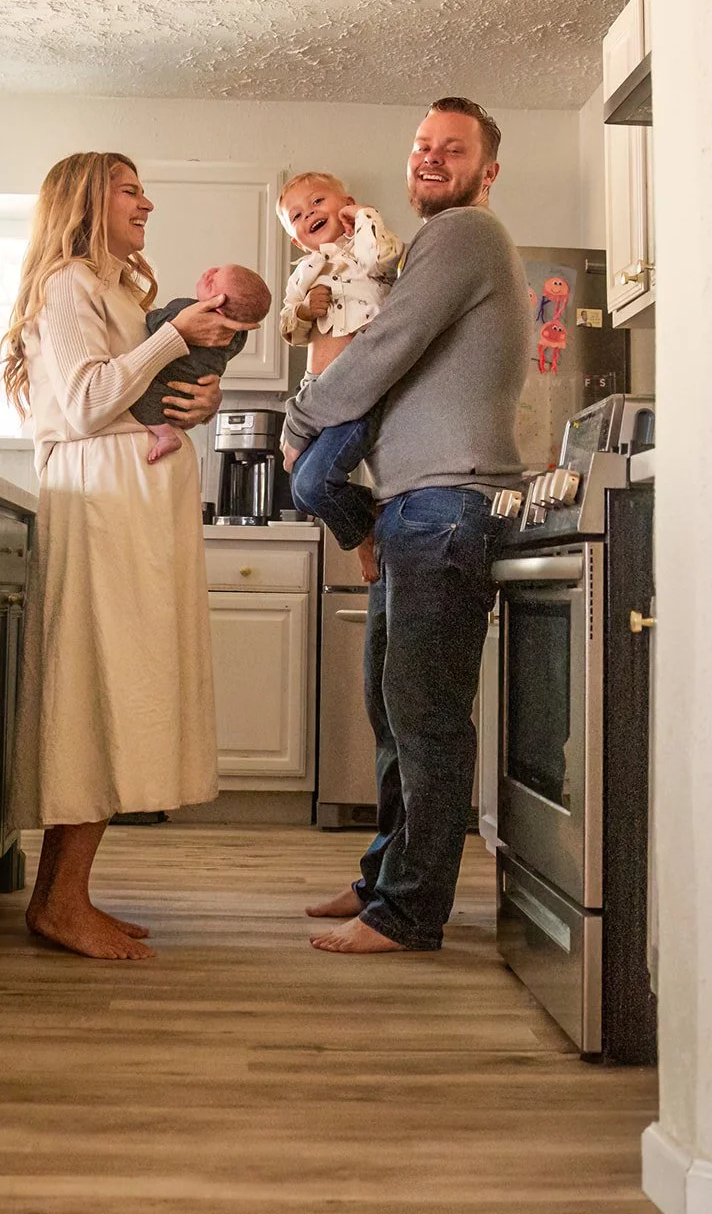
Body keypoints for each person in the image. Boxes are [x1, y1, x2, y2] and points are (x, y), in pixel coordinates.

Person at [281, 98, 531, 955]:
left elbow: (383, 346)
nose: (430, 158)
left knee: (423, 715)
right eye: (422, 145)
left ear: (486, 171)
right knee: (394, 712)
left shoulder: (463, 234)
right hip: (413, 508)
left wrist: (301, 417)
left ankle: (411, 911)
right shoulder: (428, 242)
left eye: (452, 149)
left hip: (447, 504)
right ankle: (383, 880)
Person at [0, 151, 258, 961]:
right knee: (98, 691)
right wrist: (174, 335)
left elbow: (134, 391)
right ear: (85, 201)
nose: (147, 202)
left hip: (136, 500)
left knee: (124, 689)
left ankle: (61, 896)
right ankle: (62, 903)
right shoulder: (69, 283)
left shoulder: (120, 291)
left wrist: (199, 399)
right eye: (129, 190)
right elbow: (82, 406)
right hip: (104, 500)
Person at [276, 173, 403, 582]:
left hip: (358, 391)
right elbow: (287, 329)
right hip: (316, 390)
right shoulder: (303, 274)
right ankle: (374, 513)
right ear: (297, 240)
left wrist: (361, 216)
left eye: (317, 202)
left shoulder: (366, 250)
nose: (309, 213)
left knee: (313, 484)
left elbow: (384, 256)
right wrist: (304, 312)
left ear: (344, 202)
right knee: (300, 488)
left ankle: (365, 534)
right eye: (297, 215)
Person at [130, 263, 272, 463]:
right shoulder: (238, 336)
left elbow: (155, 323)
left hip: (166, 389)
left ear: (219, 306)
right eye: (215, 270)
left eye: (213, 281)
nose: (208, 272)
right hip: (191, 391)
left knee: (141, 402)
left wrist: (154, 315)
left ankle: (166, 435)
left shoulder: (185, 309)